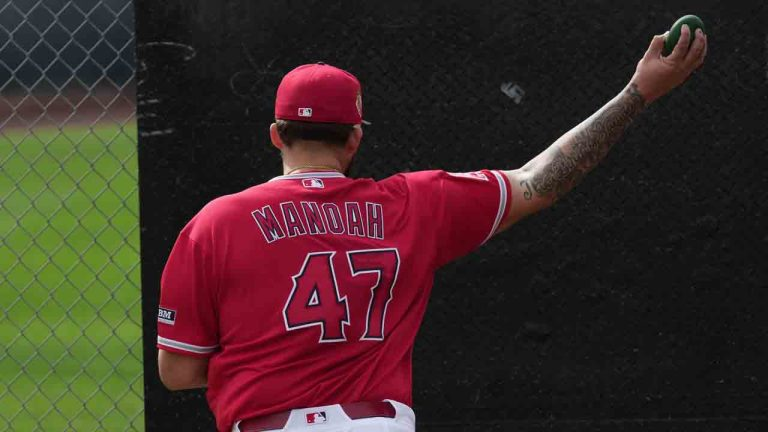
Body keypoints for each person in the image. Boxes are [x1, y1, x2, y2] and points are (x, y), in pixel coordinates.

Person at [156, 26, 707, 432]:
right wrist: (638, 93)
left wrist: (269, 359)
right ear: (355, 137)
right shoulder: (414, 204)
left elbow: (178, 372)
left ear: (276, 135)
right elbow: (541, 180)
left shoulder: (216, 223)